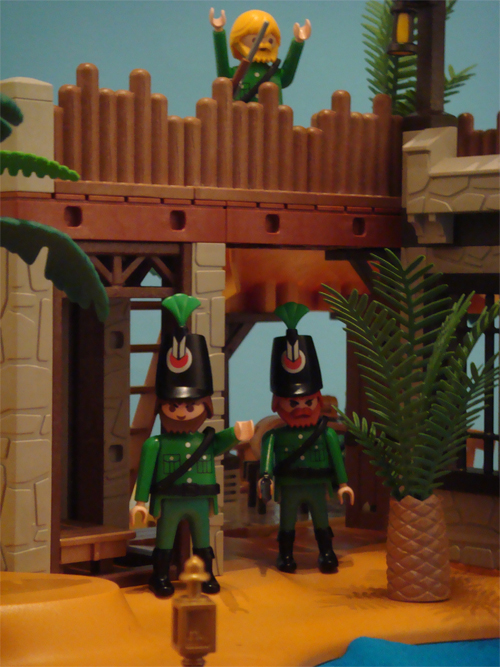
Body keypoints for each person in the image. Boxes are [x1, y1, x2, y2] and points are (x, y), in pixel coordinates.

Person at [130, 293, 253, 597]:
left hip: (200, 499)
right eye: (173, 406)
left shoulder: (204, 439)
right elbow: (145, 473)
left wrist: (237, 434)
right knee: (165, 539)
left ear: (204, 405)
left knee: (202, 539)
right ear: (161, 406)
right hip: (169, 500)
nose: (182, 412)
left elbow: (219, 443)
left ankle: (206, 576)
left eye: (190, 405)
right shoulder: (155, 444)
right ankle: (160, 576)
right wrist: (141, 502)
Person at [259, 302, 354, 573]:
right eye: (292, 403)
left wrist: (342, 484)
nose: (301, 409)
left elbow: (336, 457)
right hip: (289, 485)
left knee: (321, 519)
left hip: (316, 484)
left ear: (319, 401)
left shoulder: (326, 434)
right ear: (277, 404)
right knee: (287, 521)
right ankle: (286, 555)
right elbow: (266, 461)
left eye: (308, 402)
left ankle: (327, 553)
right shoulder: (274, 436)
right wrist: (266, 479)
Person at [209, 8, 311, 103]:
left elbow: (288, 74)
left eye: (270, 40)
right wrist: (219, 32)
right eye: (255, 40)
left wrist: (298, 42)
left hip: (274, 116)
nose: (264, 44)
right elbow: (223, 74)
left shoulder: (275, 74)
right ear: (238, 41)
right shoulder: (237, 73)